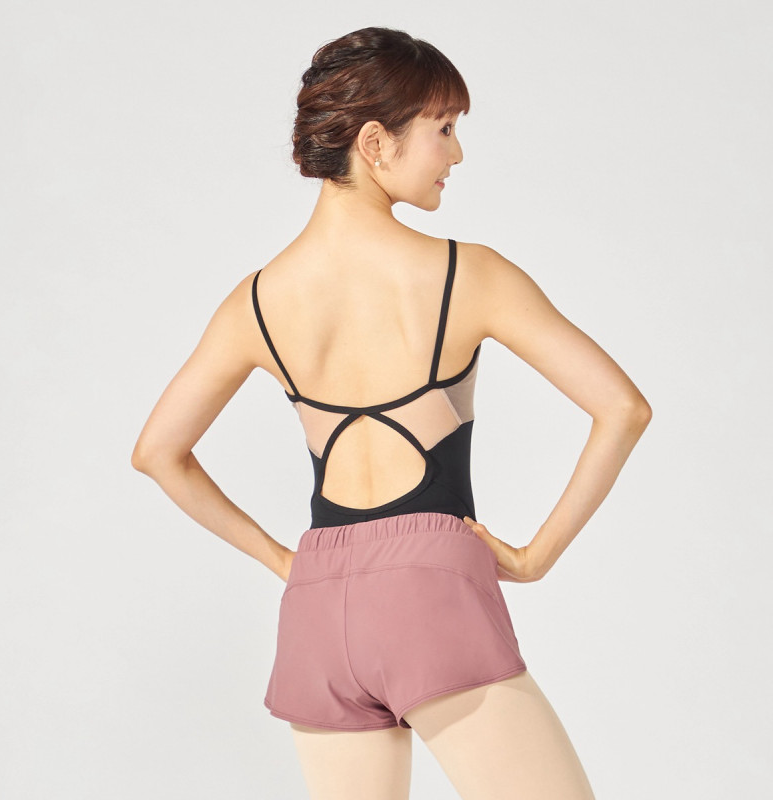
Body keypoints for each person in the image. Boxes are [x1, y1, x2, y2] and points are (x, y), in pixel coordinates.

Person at [131, 26, 651, 800]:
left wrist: (285, 561)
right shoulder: (468, 274)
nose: (456, 153)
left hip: (316, 612)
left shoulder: (254, 303)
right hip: (429, 591)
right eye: (444, 128)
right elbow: (622, 407)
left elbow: (156, 452)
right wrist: (535, 557)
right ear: (375, 142)